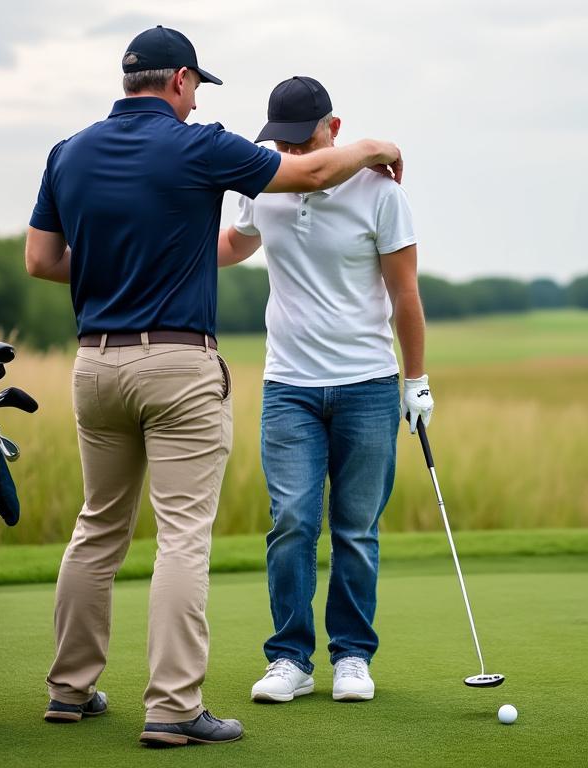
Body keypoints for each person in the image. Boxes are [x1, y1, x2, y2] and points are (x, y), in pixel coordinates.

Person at [24, 29, 403, 747]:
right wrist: (375, 147)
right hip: (176, 367)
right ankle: (171, 707)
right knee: (181, 539)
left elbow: (42, 260)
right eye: (196, 88)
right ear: (179, 81)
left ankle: (68, 690)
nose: (197, 102)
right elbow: (314, 176)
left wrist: (114, 266)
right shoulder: (200, 144)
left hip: (94, 366)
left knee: (97, 527)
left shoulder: (67, 152)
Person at [216, 76, 433, 704]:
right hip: (289, 387)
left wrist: (415, 380)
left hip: (366, 384)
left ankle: (352, 656)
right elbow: (236, 242)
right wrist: (168, 251)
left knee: (356, 527)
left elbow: (406, 294)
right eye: (279, 142)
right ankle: (290, 657)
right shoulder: (269, 184)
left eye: (301, 141)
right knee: (291, 522)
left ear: (333, 131)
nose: (291, 154)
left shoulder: (380, 194)